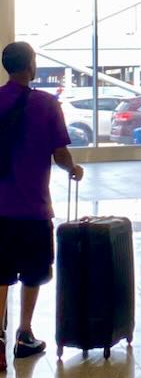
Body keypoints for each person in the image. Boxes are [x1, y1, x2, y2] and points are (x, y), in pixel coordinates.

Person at [0, 42, 83, 369]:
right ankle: (24, 334)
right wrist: (73, 169)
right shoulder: (47, 104)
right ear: (31, 66)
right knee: (32, 272)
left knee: (0, 272)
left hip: (0, 208)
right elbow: (60, 154)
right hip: (34, 208)